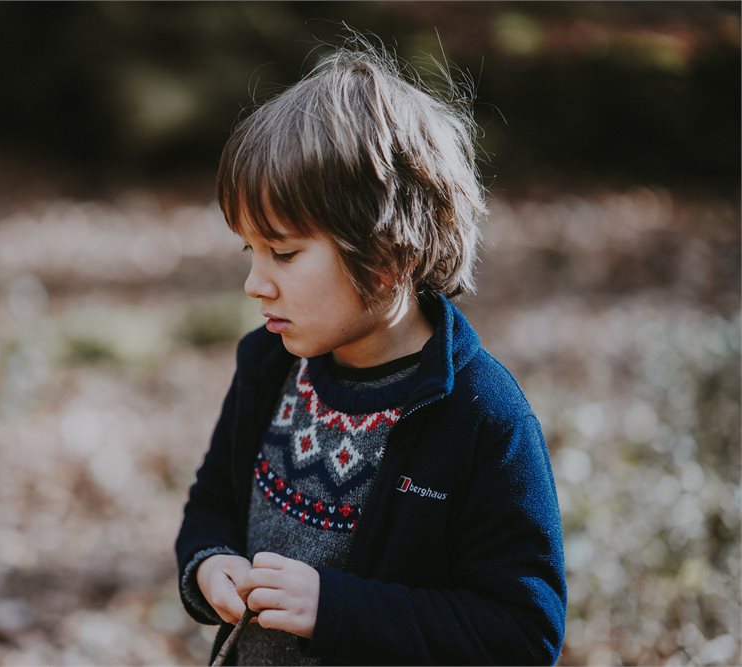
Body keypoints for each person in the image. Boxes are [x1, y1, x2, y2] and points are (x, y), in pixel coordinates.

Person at [175, 43, 566, 666]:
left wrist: (337, 608)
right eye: (247, 251)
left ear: (387, 259)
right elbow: (213, 500)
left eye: (283, 253)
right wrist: (208, 561)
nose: (255, 282)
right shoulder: (268, 365)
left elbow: (521, 633)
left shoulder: (481, 417)